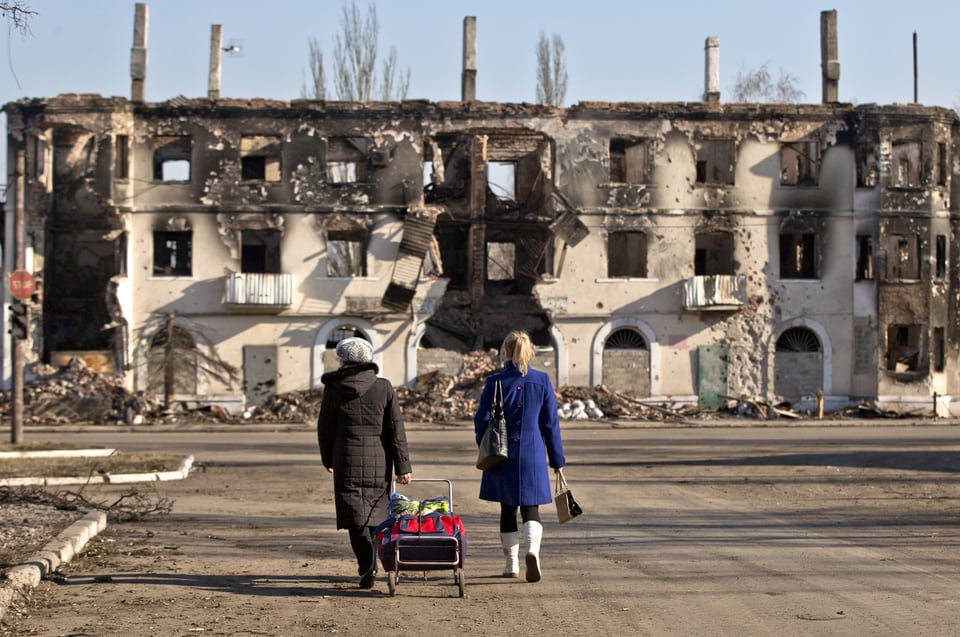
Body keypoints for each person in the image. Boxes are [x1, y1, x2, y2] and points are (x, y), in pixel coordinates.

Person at [317, 336, 412, 589]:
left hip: (345, 456)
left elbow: (324, 427)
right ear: (369, 359)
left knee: (354, 514)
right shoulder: (383, 387)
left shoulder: (334, 388)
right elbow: (395, 429)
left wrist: (327, 457)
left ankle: (365, 563)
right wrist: (403, 466)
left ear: (343, 360)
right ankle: (374, 557)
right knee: (375, 512)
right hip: (379, 458)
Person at [474, 330, 565, 582]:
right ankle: (533, 551)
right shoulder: (543, 381)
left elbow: (481, 420)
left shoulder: (495, 382)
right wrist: (557, 460)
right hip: (532, 453)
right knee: (530, 508)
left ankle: (511, 564)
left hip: (502, 453)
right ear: (529, 352)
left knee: (507, 509)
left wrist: (483, 444)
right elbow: (550, 425)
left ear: (505, 352)